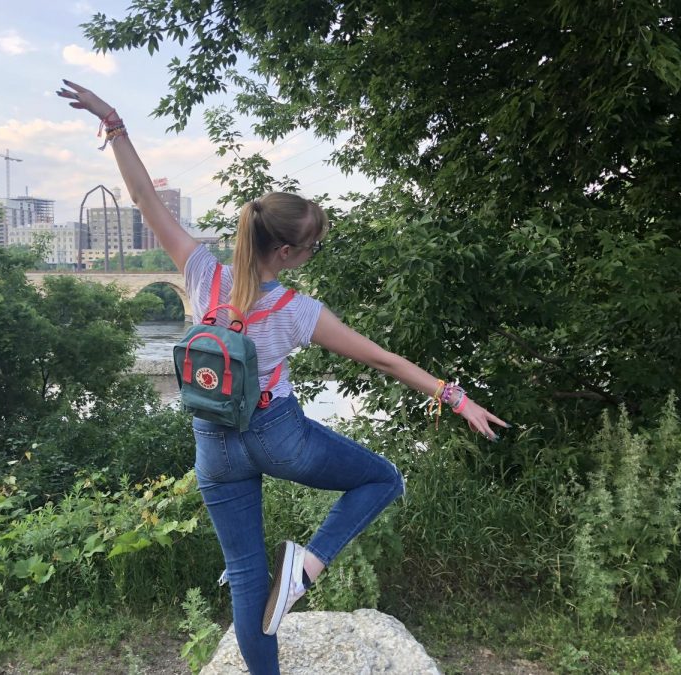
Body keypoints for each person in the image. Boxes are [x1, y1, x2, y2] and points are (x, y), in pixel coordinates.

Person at [57, 79, 508, 674]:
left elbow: (143, 198)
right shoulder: (298, 310)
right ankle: (306, 566)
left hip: (212, 445)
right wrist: (456, 398)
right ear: (288, 254)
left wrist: (114, 123)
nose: (313, 253)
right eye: (313, 246)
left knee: (246, 578)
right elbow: (383, 360)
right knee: (382, 480)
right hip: (279, 436)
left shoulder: (199, 272)